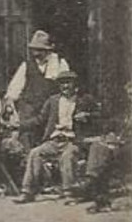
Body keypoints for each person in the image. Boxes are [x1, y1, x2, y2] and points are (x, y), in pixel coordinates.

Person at [16, 70, 97, 204]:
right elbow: (40, 119)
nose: (65, 86)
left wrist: (87, 116)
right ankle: (27, 191)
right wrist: (20, 125)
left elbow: (99, 115)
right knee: (34, 153)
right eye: (62, 83)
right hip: (54, 141)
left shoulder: (84, 100)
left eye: (68, 83)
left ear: (74, 84)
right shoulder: (53, 100)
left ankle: (69, 193)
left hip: (73, 141)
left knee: (68, 155)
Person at [7, 31, 72, 137]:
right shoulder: (26, 66)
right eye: (34, 50)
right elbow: (14, 90)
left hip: (50, 113)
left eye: (40, 50)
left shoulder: (60, 63)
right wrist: (11, 106)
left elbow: (66, 88)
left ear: (49, 50)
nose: (36, 53)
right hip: (29, 112)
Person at [79, 81, 131, 213]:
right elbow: (115, 125)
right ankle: (93, 183)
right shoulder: (128, 111)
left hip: (131, 147)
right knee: (98, 146)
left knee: (104, 154)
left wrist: (119, 142)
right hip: (122, 144)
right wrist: (112, 137)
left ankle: (93, 187)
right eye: (130, 94)